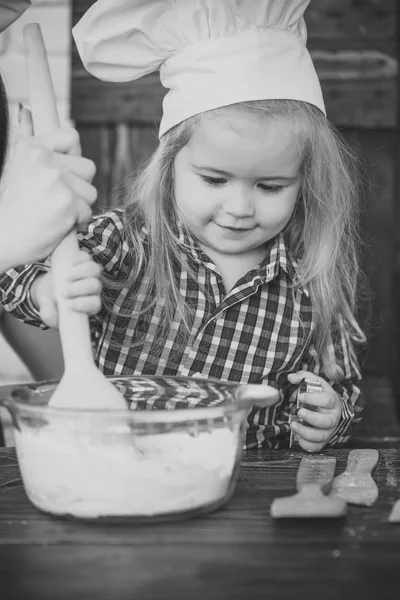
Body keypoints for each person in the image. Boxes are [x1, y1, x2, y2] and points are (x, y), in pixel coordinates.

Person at [0, 0, 367, 452]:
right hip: (112, 468)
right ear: (170, 165)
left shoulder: (312, 283)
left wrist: (332, 415)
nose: (238, 208)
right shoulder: (125, 242)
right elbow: (11, 273)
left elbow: (343, 386)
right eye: (214, 180)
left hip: (240, 490)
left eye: (270, 187)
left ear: (303, 181)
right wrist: (46, 292)